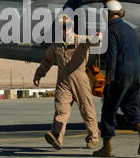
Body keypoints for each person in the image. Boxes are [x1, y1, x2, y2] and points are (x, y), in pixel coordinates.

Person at [33, 14, 101, 150]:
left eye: (68, 26)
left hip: (80, 80)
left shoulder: (80, 40)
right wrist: (39, 74)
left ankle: (93, 138)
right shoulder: (56, 46)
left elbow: (93, 41)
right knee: (61, 110)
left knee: (87, 109)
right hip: (63, 82)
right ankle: (56, 137)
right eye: (63, 27)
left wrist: (97, 38)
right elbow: (47, 61)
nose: (66, 29)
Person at [93, 0, 140, 157]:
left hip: (120, 74)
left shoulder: (111, 30)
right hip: (136, 74)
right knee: (130, 106)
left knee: (108, 109)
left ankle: (107, 147)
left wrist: (108, 80)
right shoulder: (130, 29)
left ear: (109, 14)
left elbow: (112, 57)